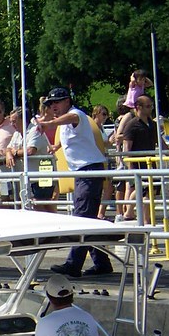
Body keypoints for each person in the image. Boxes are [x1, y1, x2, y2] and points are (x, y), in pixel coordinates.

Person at [37, 87, 113, 277]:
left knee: (81, 218)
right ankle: (102, 262)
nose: (53, 106)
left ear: (67, 101)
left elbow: (72, 120)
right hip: (84, 172)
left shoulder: (75, 114)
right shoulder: (66, 121)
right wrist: (56, 146)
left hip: (88, 171)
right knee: (88, 219)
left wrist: (49, 123)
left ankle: (73, 264)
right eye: (51, 104)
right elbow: (73, 135)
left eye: (57, 102)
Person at [118, 95, 161, 222]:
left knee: (149, 191)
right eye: (148, 106)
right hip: (137, 163)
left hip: (150, 162)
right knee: (141, 190)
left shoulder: (152, 124)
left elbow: (159, 140)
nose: (151, 109)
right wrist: (129, 164)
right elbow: (127, 146)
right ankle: (135, 215)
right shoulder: (132, 125)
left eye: (151, 106)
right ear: (139, 107)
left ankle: (139, 217)